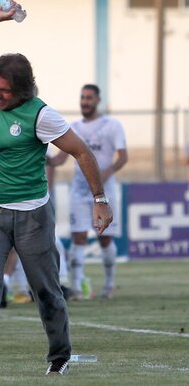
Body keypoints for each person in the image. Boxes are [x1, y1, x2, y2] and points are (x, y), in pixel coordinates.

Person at [0, 3, 113, 377]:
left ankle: (60, 355)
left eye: (5, 90)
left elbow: (81, 151)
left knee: (45, 289)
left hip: (31, 215)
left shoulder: (41, 114)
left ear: (22, 91)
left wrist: (99, 200)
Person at [49, 84, 128, 300]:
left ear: (98, 100)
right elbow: (59, 158)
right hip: (79, 190)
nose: (85, 101)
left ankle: (109, 284)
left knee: (105, 239)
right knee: (78, 237)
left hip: (104, 191)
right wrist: (41, 155)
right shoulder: (73, 127)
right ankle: (75, 287)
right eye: (82, 97)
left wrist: (108, 171)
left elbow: (123, 156)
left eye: (89, 97)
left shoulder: (112, 125)